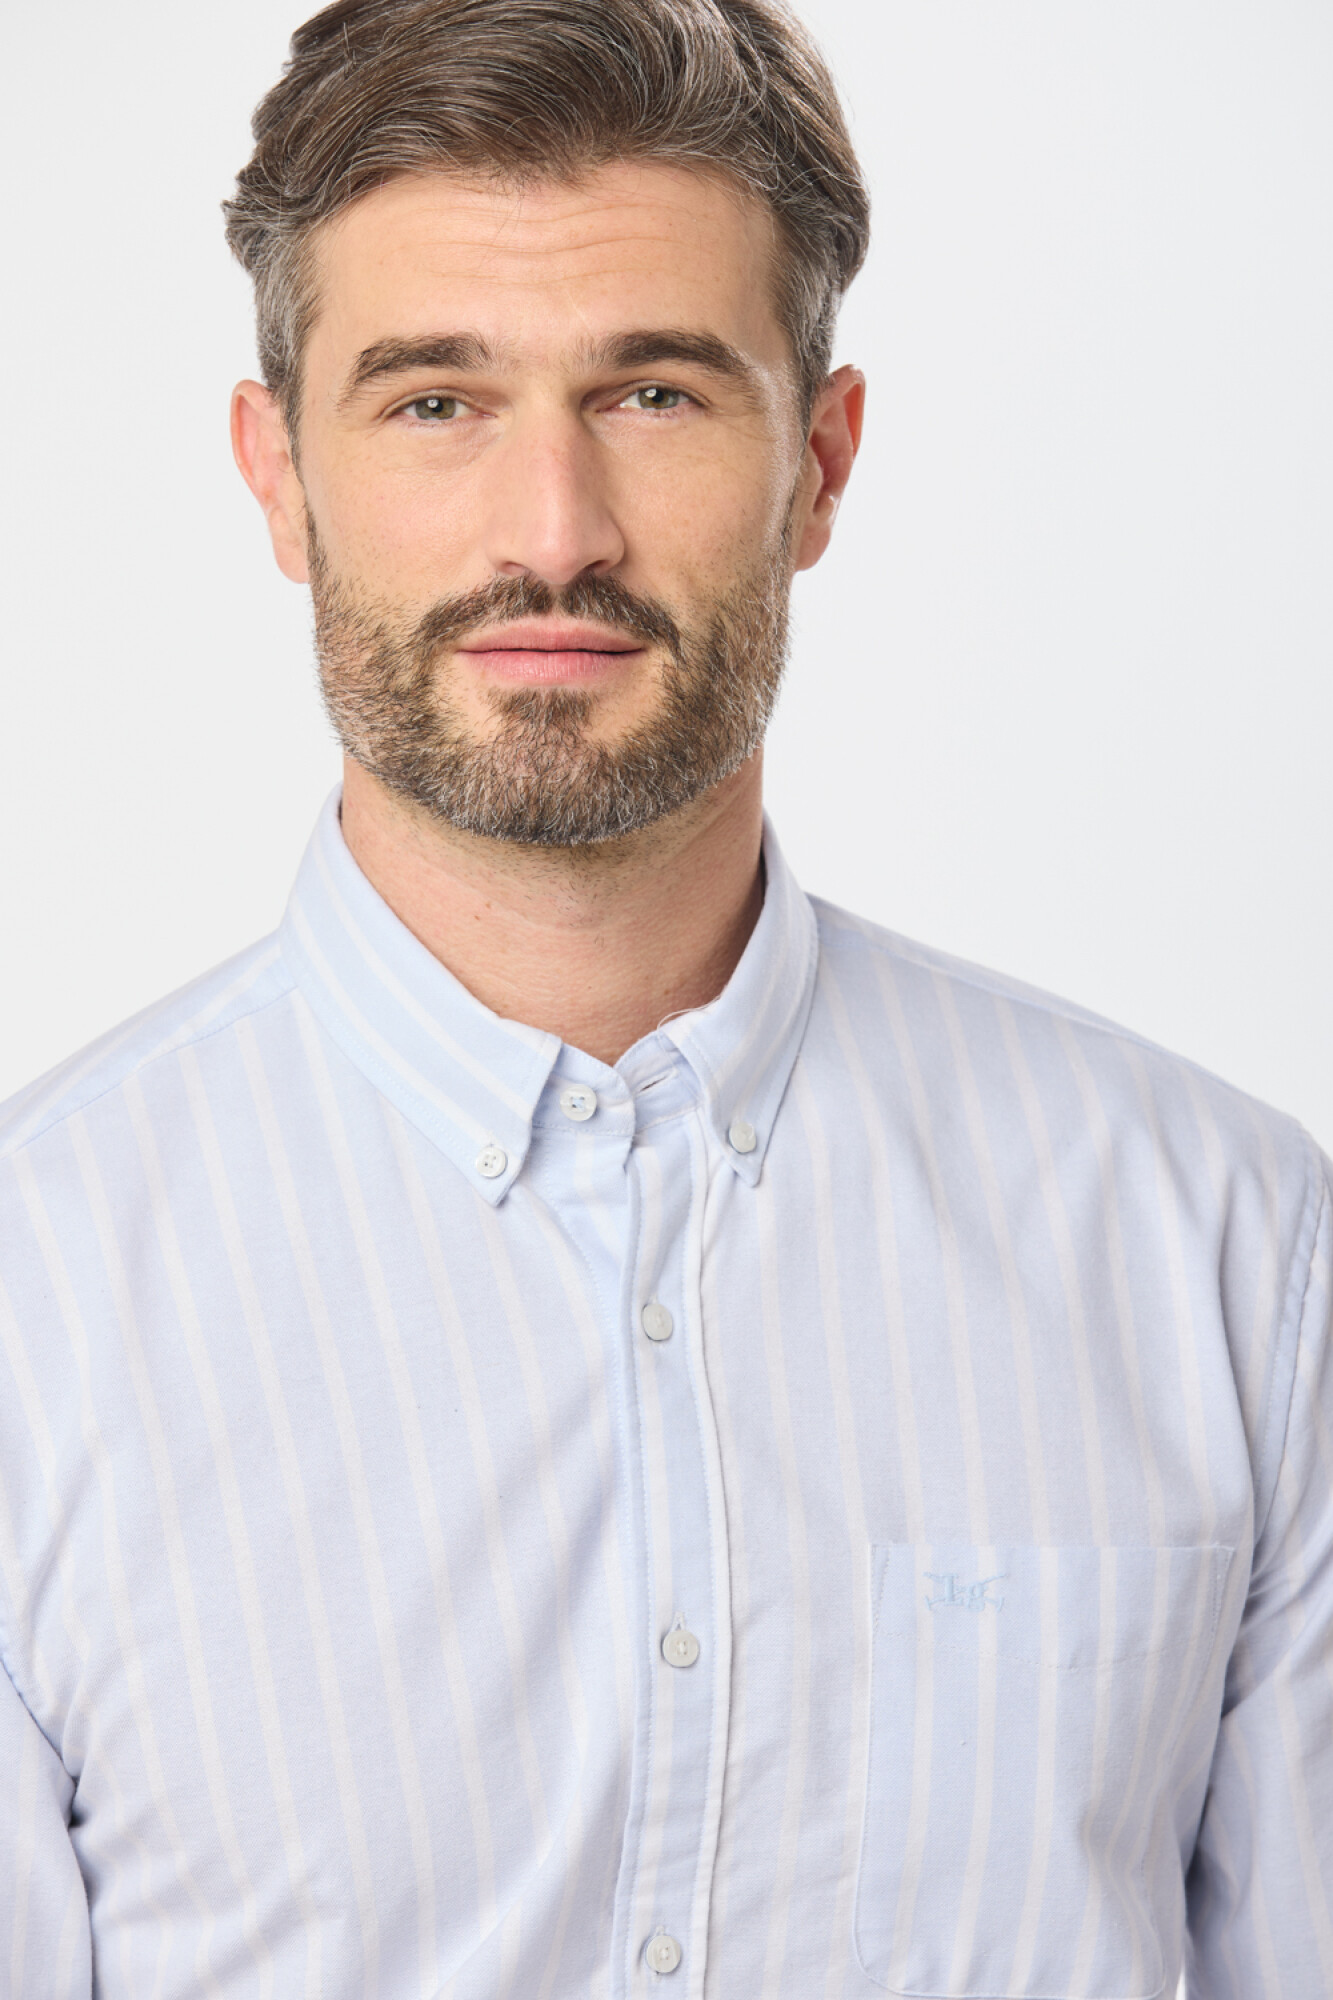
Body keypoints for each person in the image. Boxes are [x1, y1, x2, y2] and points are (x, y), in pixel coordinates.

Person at [0, 0, 1328, 1993]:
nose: (553, 532)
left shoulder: (1222, 1248)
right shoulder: (32, 1311)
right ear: (279, 478)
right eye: (434, 401)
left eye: (654, 393)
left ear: (819, 464)